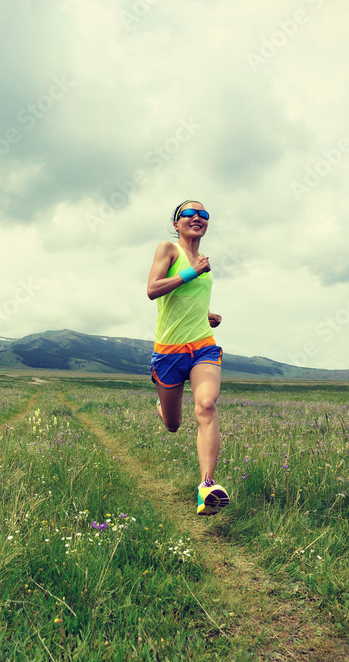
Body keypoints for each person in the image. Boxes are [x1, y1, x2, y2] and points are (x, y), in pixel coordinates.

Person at [146, 200, 229, 516]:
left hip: (202, 347)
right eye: (189, 214)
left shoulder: (203, 262)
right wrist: (193, 273)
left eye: (203, 214)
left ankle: (206, 487)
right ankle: (163, 409)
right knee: (173, 424)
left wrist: (205, 315)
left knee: (207, 405)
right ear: (177, 223)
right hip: (168, 351)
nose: (197, 217)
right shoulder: (168, 250)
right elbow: (153, 289)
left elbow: (187, 299)